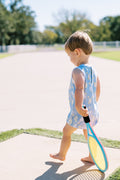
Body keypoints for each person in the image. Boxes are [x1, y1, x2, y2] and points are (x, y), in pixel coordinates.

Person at [50, 31, 100, 163]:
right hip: (91, 110)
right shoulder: (93, 70)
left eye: (69, 55)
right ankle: (92, 156)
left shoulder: (77, 71)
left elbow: (79, 88)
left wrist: (78, 107)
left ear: (77, 52)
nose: (69, 58)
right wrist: (93, 104)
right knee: (89, 134)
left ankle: (61, 154)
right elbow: (97, 88)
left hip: (79, 111)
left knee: (66, 132)